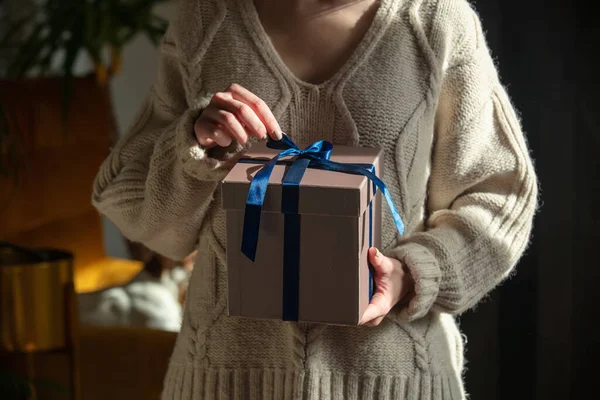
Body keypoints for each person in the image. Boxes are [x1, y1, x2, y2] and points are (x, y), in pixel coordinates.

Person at [92, 0, 538, 398]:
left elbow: (500, 193)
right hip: (224, 379)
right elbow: (129, 201)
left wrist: (414, 273)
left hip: (397, 379)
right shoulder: (206, 19)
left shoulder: (434, 19)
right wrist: (193, 148)